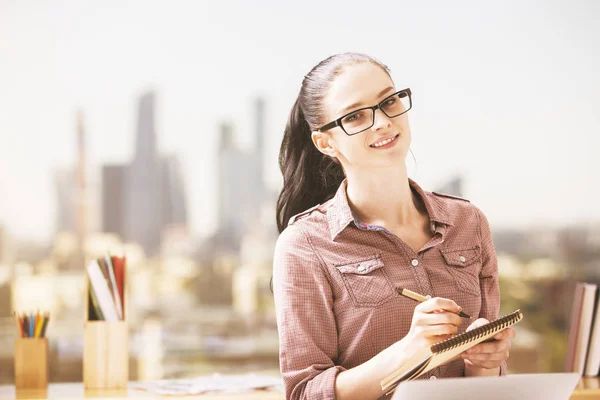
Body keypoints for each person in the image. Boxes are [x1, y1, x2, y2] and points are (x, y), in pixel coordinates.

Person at [272, 52, 516, 400]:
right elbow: (305, 393)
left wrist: (484, 361)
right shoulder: (305, 244)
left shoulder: (468, 223)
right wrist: (409, 352)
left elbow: (484, 385)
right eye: (355, 116)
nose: (382, 122)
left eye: (388, 101)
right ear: (326, 142)